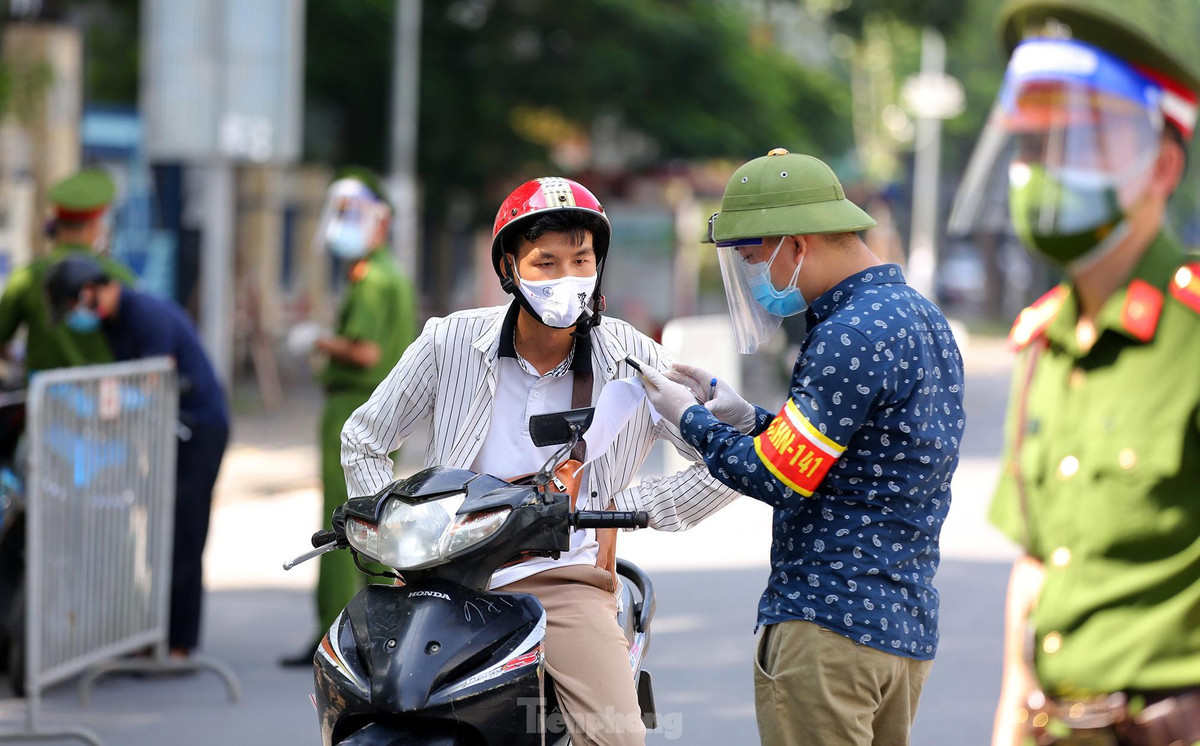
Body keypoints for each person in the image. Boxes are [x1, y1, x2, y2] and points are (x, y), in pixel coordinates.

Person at [339, 176, 741, 746]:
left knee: (618, 738)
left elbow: (730, 461)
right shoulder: (448, 342)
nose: (566, 278)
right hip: (441, 578)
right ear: (510, 267)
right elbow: (363, 437)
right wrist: (392, 530)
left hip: (562, 582)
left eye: (581, 260)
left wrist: (627, 506)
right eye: (545, 263)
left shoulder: (633, 357)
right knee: (365, 706)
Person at [636, 148, 965, 746]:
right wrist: (745, 417)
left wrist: (689, 419)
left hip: (828, 626)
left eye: (753, 258)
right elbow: (848, 459)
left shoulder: (847, 333)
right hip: (902, 629)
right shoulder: (918, 317)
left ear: (796, 244)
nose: (753, 278)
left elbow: (779, 477)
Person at [948, 2, 1200, 744]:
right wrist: (1009, 726)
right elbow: (1037, 564)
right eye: (1033, 140)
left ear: (1161, 166)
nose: (1046, 165)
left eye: (1083, 137)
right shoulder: (1044, 339)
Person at [44, 256, 229, 659]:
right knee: (158, 535)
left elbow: (151, 385)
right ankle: (153, 633)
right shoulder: (116, 322)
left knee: (183, 534)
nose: (76, 315)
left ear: (88, 291)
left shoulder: (145, 315)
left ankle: (178, 642)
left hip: (197, 432)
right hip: (167, 435)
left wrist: (110, 404)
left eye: (73, 305)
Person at [280, 168, 418, 667]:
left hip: (357, 407)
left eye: (353, 215)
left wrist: (318, 340)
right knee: (367, 519)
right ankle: (370, 632)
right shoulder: (381, 274)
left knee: (342, 523)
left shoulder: (375, 279)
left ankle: (338, 636)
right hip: (376, 410)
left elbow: (365, 352)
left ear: (380, 221)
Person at [0, 168, 136, 375]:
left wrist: (19, 359)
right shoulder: (119, 277)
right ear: (94, 226)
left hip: (43, 394)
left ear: (56, 225)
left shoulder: (27, 277)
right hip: (108, 393)